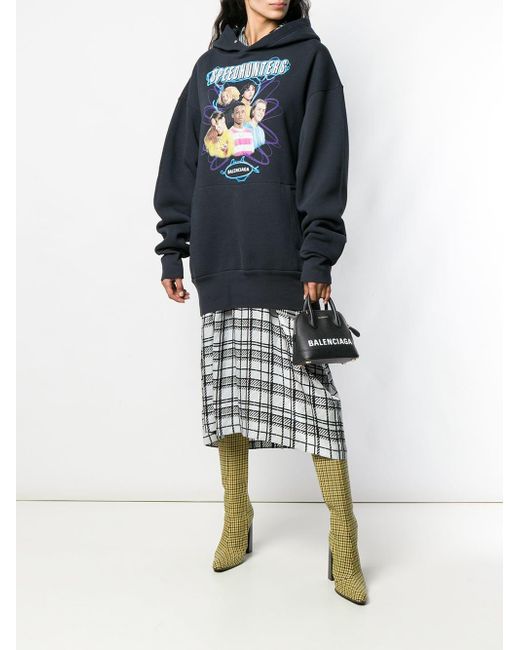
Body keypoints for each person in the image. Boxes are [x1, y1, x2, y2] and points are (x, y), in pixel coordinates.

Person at [153, 0, 368, 606]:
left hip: (284, 255)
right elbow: (183, 159)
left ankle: (344, 534)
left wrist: (317, 253)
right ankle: (236, 516)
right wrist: (173, 246)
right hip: (219, 255)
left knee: (315, 402)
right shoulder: (207, 68)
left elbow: (325, 158)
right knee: (228, 396)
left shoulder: (311, 58)